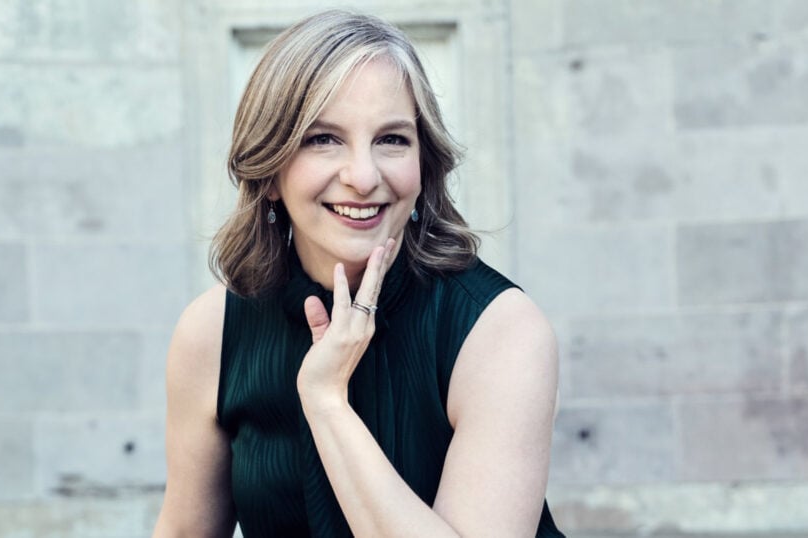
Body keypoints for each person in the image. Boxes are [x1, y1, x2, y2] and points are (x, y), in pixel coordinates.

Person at [153, 9, 564, 538]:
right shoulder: (211, 332)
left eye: (392, 139)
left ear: (424, 165)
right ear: (269, 172)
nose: (364, 177)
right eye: (323, 139)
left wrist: (326, 401)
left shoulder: (501, 332)